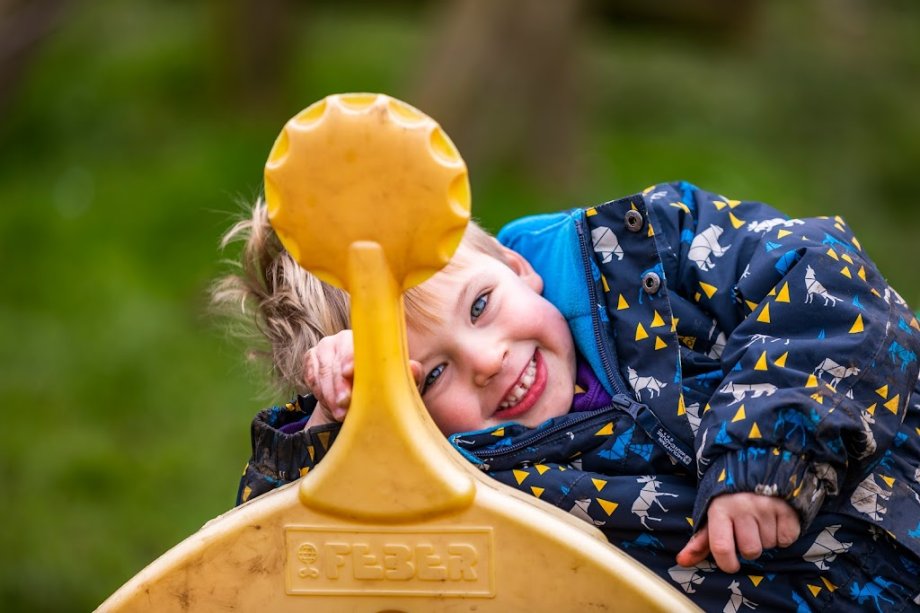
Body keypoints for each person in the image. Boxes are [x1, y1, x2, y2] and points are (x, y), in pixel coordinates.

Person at [216, 181, 920, 611]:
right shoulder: (460, 484)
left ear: (514, 265)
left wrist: (769, 451)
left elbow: (821, 275)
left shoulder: (650, 255)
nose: (488, 360)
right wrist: (332, 427)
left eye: (481, 304)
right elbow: (279, 568)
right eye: (431, 376)